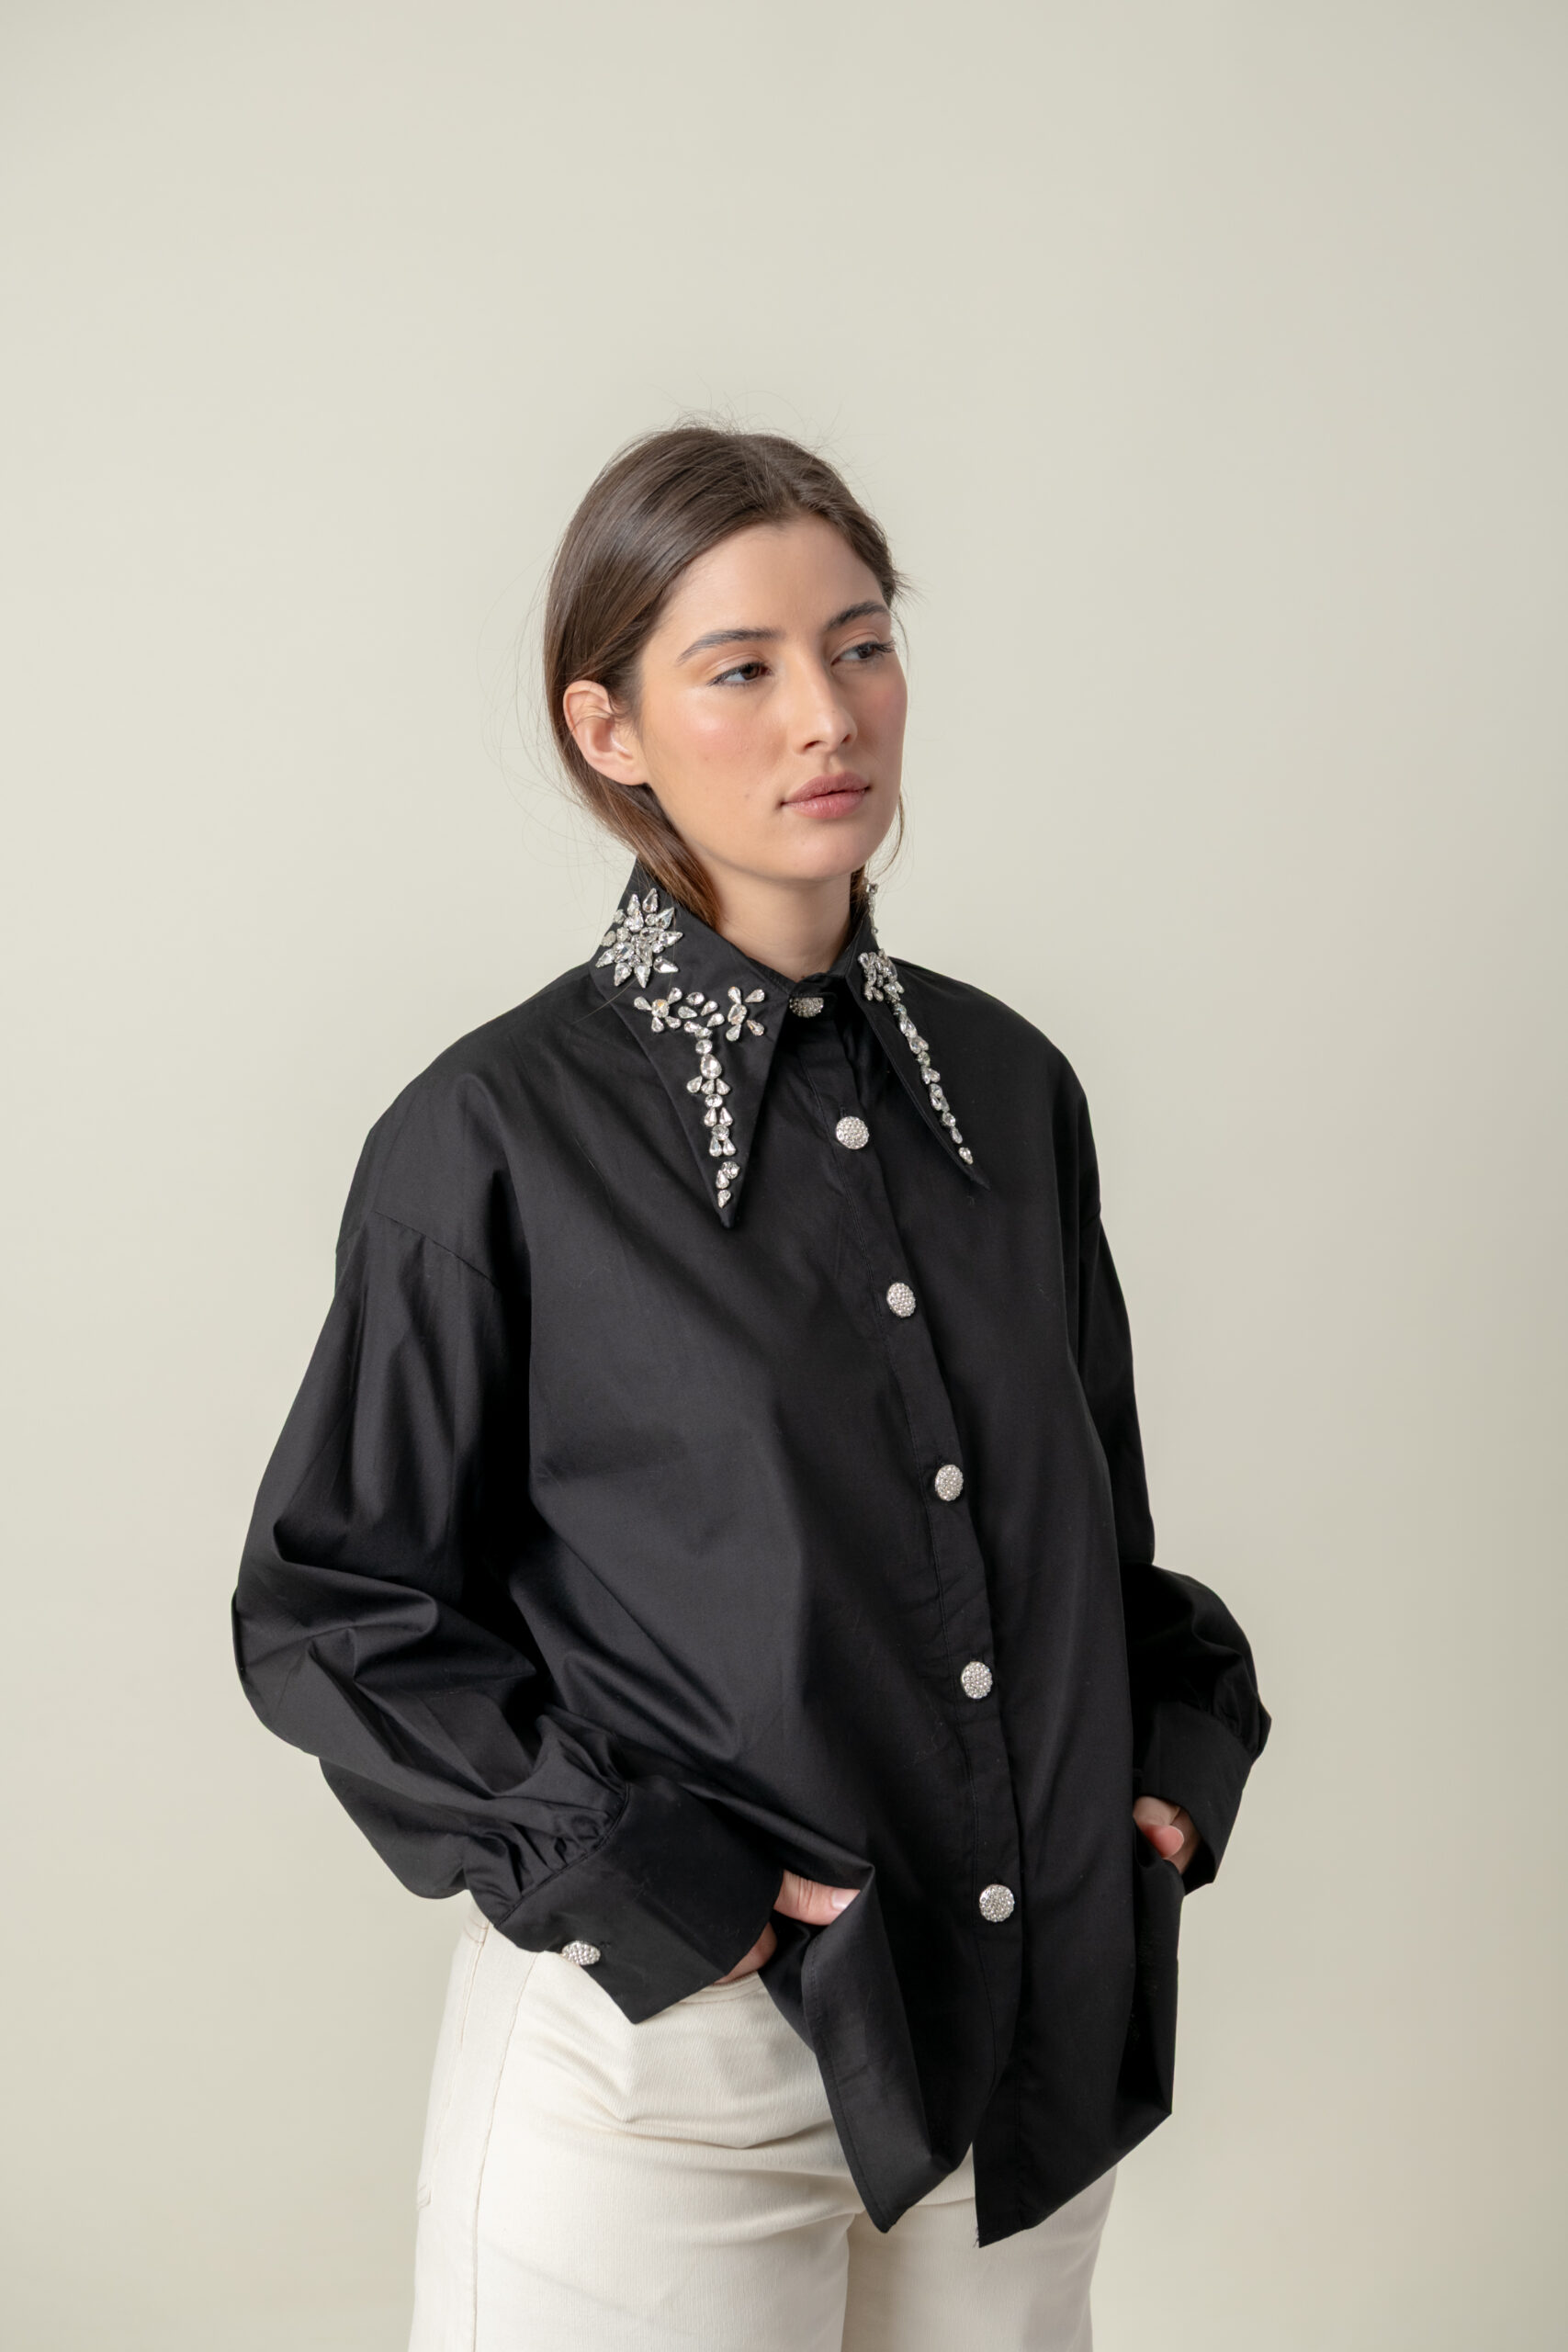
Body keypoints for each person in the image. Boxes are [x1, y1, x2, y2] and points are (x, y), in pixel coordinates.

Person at [232, 424, 1270, 2351]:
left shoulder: (1011, 1092)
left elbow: (1090, 1538)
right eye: (742, 667)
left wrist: (1168, 1772)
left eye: (860, 644)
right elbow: (337, 1606)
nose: (827, 713)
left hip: (1022, 2061)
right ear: (610, 728)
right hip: (672, 2085)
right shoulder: (491, 1136)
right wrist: (659, 1888)